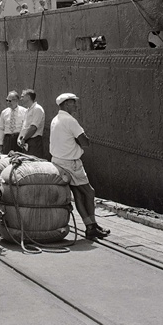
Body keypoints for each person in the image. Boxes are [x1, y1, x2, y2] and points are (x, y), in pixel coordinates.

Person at [50, 93, 110, 241]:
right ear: (66, 104)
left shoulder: (55, 119)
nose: (76, 105)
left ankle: (90, 226)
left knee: (78, 194)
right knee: (89, 192)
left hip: (57, 161)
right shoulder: (70, 121)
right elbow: (85, 142)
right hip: (71, 163)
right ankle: (92, 226)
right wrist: (77, 145)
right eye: (73, 102)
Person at [18, 89, 46, 159]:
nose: (21, 99)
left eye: (22, 96)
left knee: (34, 164)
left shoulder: (37, 109)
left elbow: (33, 127)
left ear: (28, 97)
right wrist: (20, 139)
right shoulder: (27, 110)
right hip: (26, 142)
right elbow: (24, 127)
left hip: (34, 142)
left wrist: (23, 139)